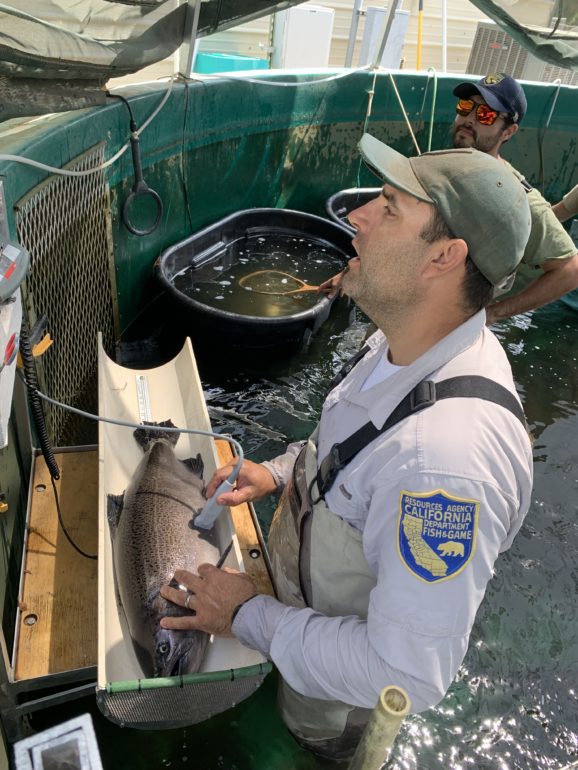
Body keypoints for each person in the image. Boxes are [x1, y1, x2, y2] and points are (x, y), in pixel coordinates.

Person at [160, 137, 534, 760]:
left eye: (388, 207)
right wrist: (279, 473)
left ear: (444, 256)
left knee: (292, 745)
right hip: (291, 605)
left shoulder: (446, 465)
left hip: (330, 703)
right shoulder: (404, 338)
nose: (356, 215)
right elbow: (354, 445)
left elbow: (405, 675)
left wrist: (247, 617)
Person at [323, 74, 578, 325]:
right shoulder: (440, 164)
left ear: (508, 132)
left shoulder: (513, 197)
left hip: (442, 324)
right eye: (466, 107)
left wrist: (493, 314)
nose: (469, 119)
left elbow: (570, 270)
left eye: (485, 115)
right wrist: (355, 273)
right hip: (402, 308)